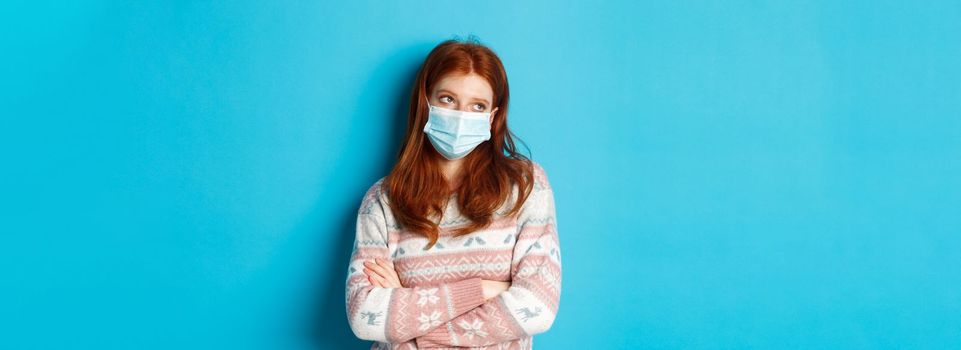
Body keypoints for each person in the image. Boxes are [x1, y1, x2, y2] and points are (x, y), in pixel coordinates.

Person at [345, 37, 561, 349]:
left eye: (477, 106)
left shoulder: (526, 187)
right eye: (447, 99)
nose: (461, 115)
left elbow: (537, 307)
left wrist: (410, 324)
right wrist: (484, 289)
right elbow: (366, 318)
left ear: (492, 116)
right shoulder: (382, 201)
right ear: (426, 102)